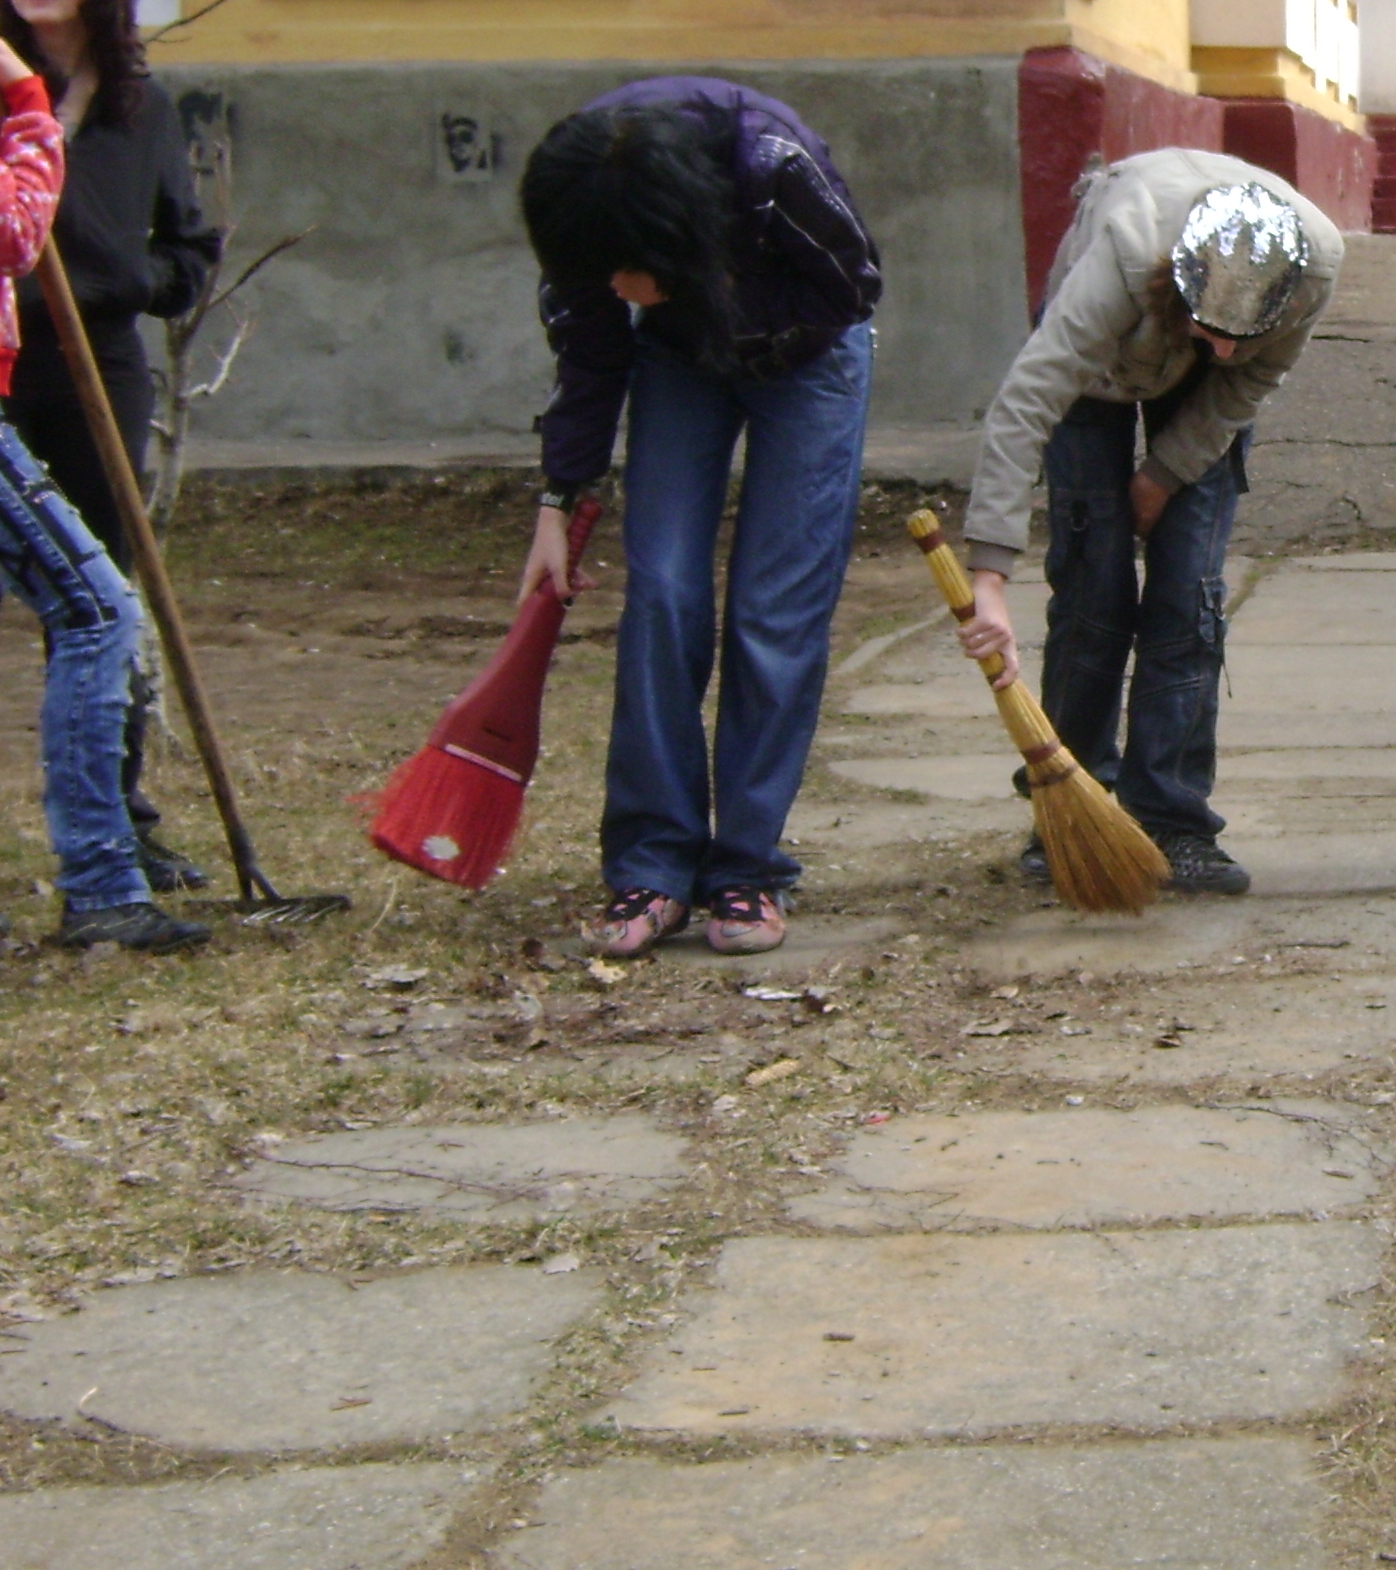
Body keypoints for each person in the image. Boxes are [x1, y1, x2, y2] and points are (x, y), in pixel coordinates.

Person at [520, 79, 881, 960]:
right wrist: (557, 501)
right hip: (677, 360)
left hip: (808, 356)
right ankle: (651, 865)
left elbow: (852, 287)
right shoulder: (588, 198)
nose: (611, 283)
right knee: (664, 590)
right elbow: (591, 354)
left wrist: (724, 307)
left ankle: (746, 868)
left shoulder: (771, 167)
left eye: (625, 269)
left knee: (773, 607)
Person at [0, 0, 200, 950]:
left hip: (64, 374)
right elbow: (1, 231)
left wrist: (126, 284)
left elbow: (183, 243)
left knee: (89, 594)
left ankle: (119, 841)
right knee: (93, 611)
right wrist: (29, 112)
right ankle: (103, 888)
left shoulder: (137, 105)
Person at [957, 150, 1343, 897]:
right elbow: (1027, 402)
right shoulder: (1125, 259)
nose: (1227, 347)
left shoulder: (1314, 267)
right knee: (1094, 587)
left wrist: (1163, 473)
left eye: (1243, 331)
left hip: (1202, 395)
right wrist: (990, 576)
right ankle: (1072, 805)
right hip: (1098, 368)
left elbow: (1250, 377)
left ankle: (1173, 819)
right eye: (1215, 329)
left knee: (1187, 595)